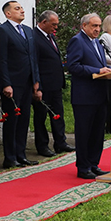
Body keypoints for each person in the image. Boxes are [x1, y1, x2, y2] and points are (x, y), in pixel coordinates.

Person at [0, 0, 41, 169]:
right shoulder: (2, 31)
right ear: (8, 13)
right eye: (17, 8)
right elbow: (1, 60)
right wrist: (5, 84)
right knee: (12, 120)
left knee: (24, 119)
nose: (22, 10)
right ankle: (10, 157)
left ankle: (21, 154)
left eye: (22, 8)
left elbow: (33, 57)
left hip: (27, 82)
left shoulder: (28, 31)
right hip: (12, 84)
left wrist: (36, 80)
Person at [66, 13, 111, 179]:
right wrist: (97, 71)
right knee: (85, 132)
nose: (97, 29)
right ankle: (83, 167)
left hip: (100, 95)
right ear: (84, 26)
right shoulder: (77, 41)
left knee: (97, 133)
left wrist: (107, 70)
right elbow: (73, 66)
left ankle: (94, 164)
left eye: (99, 26)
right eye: (94, 26)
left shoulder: (97, 43)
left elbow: (100, 64)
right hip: (84, 96)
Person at [32, 10, 74, 157]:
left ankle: (60, 142)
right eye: (53, 24)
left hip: (55, 85)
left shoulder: (50, 37)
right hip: (43, 85)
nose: (56, 28)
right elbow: (35, 63)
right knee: (41, 117)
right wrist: (37, 86)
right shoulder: (34, 37)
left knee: (58, 115)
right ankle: (42, 146)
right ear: (44, 22)